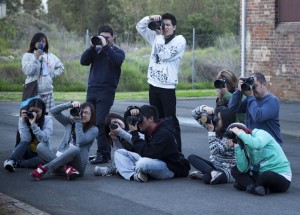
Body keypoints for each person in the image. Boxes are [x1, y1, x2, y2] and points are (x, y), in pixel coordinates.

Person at [136, 13, 186, 152]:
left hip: (167, 87)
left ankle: (176, 151)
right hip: (153, 85)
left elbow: (164, 55)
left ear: (174, 27)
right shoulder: (156, 38)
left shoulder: (179, 41)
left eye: (168, 25)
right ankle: (156, 148)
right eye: (162, 25)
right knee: (154, 120)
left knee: (169, 121)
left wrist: (159, 36)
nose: (164, 28)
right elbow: (139, 27)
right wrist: (150, 18)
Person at [80, 25, 125, 164]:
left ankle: (102, 153)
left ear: (113, 37)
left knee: (100, 121)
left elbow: (117, 61)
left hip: (106, 91)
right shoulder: (96, 51)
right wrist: (92, 47)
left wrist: (105, 47)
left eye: (107, 38)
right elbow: (83, 61)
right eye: (102, 37)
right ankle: (104, 153)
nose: (104, 40)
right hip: (92, 89)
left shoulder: (118, 52)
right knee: (90, 121)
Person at [113, 105, 190, 182]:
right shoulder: (149, 128)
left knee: (142, 163)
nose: (138, 123)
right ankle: (134, 175)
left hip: (169, 168)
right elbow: (127, 119)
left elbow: (147, 153)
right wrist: (132, 110)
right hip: (154, 160)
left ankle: (125, 169)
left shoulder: (163, 133)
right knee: (120, 152)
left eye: (140, 119)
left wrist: (134, 133)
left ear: (151, 118)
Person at [30, 101, 98, 181]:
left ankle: (45, 168)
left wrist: (78, 121)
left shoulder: (94, 130)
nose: (83, 115)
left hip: (78, 166)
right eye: (82, 111)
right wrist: (70, 104)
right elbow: (53, 111)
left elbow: (80, 141)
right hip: (61, 161)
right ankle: (65, 169)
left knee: (74, 149)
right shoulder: (70, 122)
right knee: (40, 146)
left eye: (87, 113)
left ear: (92, 115)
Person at [227, 123, 292, 196]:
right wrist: (237, 147)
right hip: (261, 175)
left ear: (243, 130)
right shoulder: (245, 144)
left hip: (281, 176)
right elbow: (243, 169)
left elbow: (257, 145)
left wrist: (240, 133)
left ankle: (251, 186)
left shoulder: (260, 133)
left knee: (267, 175)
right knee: (235, 170)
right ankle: (258, 188)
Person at [228, 72, 283, 144]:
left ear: (263, 85)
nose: (252, 89)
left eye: (255, 86)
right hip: (254, 145)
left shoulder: (272, 101)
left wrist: (250, 96)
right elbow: (232, 109)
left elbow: (258, 117)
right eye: (251, 86)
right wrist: (239, 91)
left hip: (269, 147)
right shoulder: (251, 99)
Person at [188, 106, 236, 185]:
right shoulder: (214, 128)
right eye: (215, 117)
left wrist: (211, 132)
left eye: (218, 119)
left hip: (228, 170)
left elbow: (215, 151)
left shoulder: (231, 135)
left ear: (226, 120)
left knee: (207, 178)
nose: (215, 120)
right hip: (216, 166)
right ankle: (212, 172)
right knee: (191, 157)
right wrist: (204, 108)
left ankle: (204, 174)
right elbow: (194, 114)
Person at [4, 98, 53, 171]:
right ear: (28, 110)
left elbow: (44, 139)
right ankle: (11, 161)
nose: (34, 113)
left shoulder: (47, 120)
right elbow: (26, 139)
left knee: (44, 161)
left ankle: (19, 163)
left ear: (42, 111)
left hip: (40, 153)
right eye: (32, 111)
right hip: (26, 151)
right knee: (25, 142)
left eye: (37, 111)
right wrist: (24, 122)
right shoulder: (23, 119)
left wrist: (34, 125)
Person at [22, 32, 64, 111]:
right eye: (39, 41)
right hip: (34, 91)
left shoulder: (50, 56)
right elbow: (27, 71)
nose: (41, 43)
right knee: (33, 115)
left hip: (48, 92)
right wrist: (35, 58)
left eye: (43, 41)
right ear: (34, 42)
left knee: (47, 117)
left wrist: (51, 75)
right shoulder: (27, 56)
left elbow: (61, 67)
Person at [94, 112, 136, 176]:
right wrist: (115, 139)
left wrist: (121, 132)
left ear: (120, 118)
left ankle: (115, 169)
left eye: (116, 121)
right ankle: (115, 168)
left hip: (143, 156)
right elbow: (121, 153)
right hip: (132, 160)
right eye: (113, 125)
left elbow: (139, 142)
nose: (117, 125)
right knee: (118, 155)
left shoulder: (133, 125)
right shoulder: (120, 136)